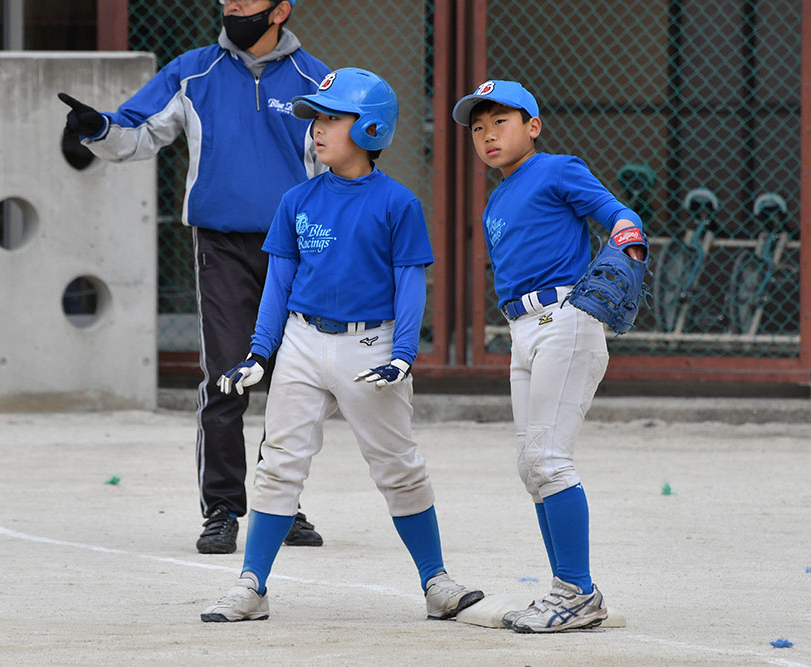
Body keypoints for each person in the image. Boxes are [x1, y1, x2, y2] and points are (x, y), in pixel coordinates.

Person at [200, 68, 484, 623]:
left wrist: (403, 353)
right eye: (317, 118)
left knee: (399, 467)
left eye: (333, 117)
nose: (318, 129)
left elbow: (409, 283)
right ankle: (252, 585)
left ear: (372, 128)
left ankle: (436, 582)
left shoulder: (397, 203)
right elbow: (278, 282)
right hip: (303, 341)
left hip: (370, 347)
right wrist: (261, 353)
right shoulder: (297, 199)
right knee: (279, 465)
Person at [57, 0, 331, 555]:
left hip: (299, 249)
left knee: (294, 385)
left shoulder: (316, 80)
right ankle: (223, 509)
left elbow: (338, 159)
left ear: (280, 10)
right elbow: (136, 132)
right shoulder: (192, 70)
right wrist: (97, 130)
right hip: (221, 246)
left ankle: (283, 505)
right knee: (228, 376)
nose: (233, 5)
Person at [451, 80, 645, 633]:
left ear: (532, 127)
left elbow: (616, 212)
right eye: (479, 128)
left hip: (567, 317)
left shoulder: (557, 168)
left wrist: (628, 241)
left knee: (548, 460)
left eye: (501, 123)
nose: (488, 135)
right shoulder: (496, 197)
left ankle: (577, 592)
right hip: (522, 328)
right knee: (532, 465)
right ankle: (569, 591)